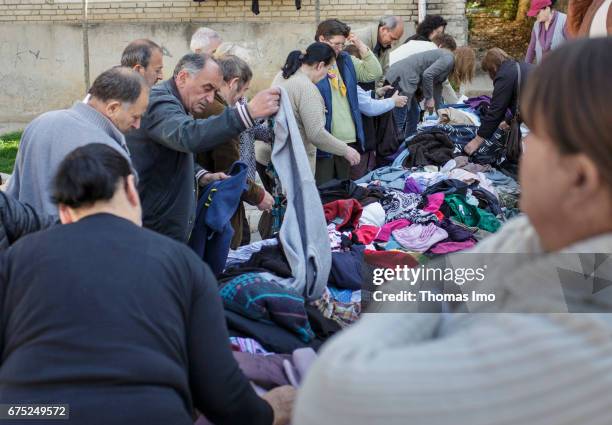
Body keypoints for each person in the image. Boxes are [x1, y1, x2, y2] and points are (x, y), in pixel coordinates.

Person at [293, 38, 612, 425]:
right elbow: (468, 271)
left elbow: (331, 396)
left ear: (579, 178)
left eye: (536, 137)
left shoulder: (576, 343)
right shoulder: (567, 252)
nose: (524, 153)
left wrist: (421, 291)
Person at [0, 143, 295, 425]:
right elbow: (221, 393)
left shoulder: (16, 259)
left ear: (63, 210)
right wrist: (272, 409)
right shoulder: (183, 263)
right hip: (147, 413)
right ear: (131, 190)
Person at [126, 53, 280, 243]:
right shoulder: (160, 101)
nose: (209, 99)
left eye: (214, 91)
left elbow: (172, 151)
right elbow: (186, 135)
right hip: (155, 232)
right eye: (206, 88)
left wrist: (201, 175)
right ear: (182, 78)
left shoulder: (179, 103)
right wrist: (246, 114)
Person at [7, 66, 149, 217]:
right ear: (112, 108)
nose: (137, 125)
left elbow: (13, 194)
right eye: (135, 116)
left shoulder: (40, 122)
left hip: (26, 238)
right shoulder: (112, 155)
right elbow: (118, 224)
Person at [195, 54, 273, 249]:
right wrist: (259, 195)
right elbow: (230, 171)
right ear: (233, 83)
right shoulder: (222, 114)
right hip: (217, 205)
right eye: (244, 90)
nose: (243, 97)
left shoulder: (207, 106)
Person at [265, 42, 361, 176]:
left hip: (272, 156)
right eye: (328, 69)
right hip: (293, 164)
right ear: (320, 65)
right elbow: (316, 134)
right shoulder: (307, 89)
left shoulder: (283, 75)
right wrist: (346, 150)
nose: (327, 75)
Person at [314, 19, 383, 184]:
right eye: (336, 44)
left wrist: (359, 44)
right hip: (325, 140)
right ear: (322, 39)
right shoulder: (312, 63)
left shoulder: (345, 60)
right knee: (324, 191)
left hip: (348, 139)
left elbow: (373, 72)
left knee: (342, 192)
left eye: (342, 45)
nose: (339, 49)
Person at [385, 37, 475, 139]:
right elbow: (427, 75)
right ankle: (393, 152)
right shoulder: (448, 59)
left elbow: (437, 88)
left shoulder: (448, 63)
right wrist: (429, 98)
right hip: (401, 79)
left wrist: (441, 113)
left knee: (414, 114)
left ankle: (410, 142)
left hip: (405, 79)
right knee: (399, 121)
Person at [464, 48, 534, 156]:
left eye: (489, 72)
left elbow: (496, 110)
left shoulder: (504, 75)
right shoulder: (520, 67)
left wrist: (477, 140)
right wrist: (508, 121)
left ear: (493, 68)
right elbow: (524, 101)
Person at [525, 0, 568, 64]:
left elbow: (574, 46)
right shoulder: (536, 25)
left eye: (538, 12)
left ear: (547, 9)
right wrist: (525, 67)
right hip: (542, 70)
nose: (535, 16)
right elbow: (531, 48)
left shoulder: (564, 20)